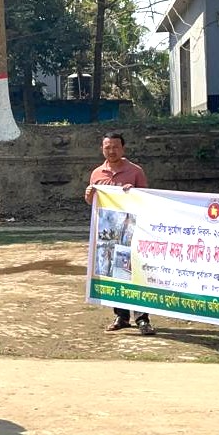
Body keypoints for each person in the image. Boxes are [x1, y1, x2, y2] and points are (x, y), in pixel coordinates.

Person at [85, 131, 156, 336]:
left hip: (133, 234)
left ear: (123, 149)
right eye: (107, 147)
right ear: (102, 149)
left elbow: (148, 200)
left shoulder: (135, 172)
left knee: (136, 274)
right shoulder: (97, 173)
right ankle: (121, 316)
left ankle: (142, 318)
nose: (111, 150)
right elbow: (94, 203)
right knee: (114, 275)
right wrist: (89, 195)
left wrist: (134, 193)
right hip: (108, 236)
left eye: (115, 146)